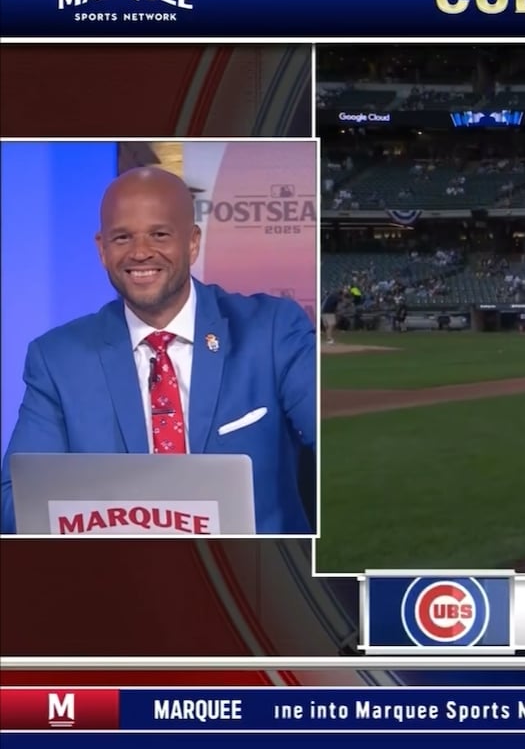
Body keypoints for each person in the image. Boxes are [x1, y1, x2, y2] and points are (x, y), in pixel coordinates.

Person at [1, 167, 317, 534]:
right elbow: (15, 503)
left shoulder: (272, 331)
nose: (140, 252)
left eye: (159, 234)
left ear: (192, 242)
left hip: (253, 576)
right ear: (102, 250)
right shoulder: (57, 358)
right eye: (122, 238)